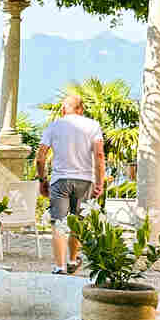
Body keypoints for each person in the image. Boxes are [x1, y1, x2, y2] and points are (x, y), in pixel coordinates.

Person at [36, 93, 105, 274]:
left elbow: (40, 157)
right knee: (78, 222)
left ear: (63, 109)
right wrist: (100, 182)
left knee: (59, 223)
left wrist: (42, 180)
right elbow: (99, 156)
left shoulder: (54, 126)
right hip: (85, 180)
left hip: (60, 180)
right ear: (81, 109)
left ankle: (59, 267)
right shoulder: (93, 126)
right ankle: (73, 261)